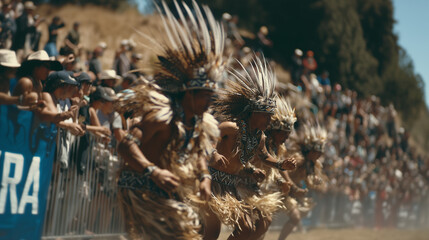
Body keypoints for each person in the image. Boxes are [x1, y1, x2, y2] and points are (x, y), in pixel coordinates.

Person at [114, 1, 227, 239]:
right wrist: (153, 172)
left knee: (193, 231)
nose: (209, 104)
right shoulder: (161, 117)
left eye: (211, 97)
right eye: (205, 97)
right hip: (141, 187)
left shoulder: (197, 122)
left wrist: (205, 178)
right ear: (189, 94)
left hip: (166, 188)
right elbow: (125, 145)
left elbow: (197, 156)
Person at [204, 56, 296, 240]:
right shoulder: (230, 127)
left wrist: (280, 165)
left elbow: (264, 157)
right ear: (254, 113)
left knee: (246, 229)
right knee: (212, 233)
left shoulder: (259, 137)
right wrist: (213, 154)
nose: (269, 122)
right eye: (266, 117)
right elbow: (206, 140)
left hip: (230, 186)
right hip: (212, 182)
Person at [277, 123, 327, 240]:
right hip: (277, 188)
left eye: (320, 153)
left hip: (287, 192)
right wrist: (293, 187)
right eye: (316, 152)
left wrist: (315, 181)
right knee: (263, 220)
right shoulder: (299, 160)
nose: (318, 155)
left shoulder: (312, 164)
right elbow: (282, 170)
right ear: (309, 151)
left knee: (295, 217)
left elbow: (311, 180)